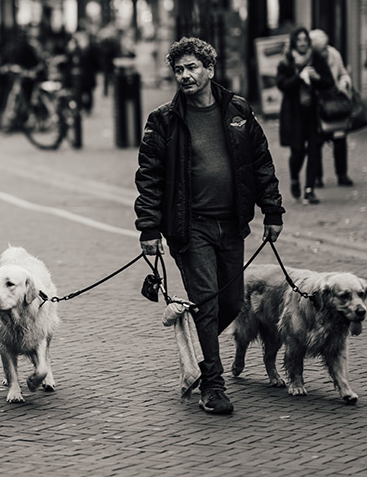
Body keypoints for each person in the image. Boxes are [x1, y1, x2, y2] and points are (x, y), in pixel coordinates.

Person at [135, 37, 285, 415]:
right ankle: (212, 385)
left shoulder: (237, 110)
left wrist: (273, 211)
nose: (185, 75)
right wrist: (149, 229)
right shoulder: (164, 120)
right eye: (179, 70)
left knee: (232, 304)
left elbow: (261, 162)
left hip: (231, 225)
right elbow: (149, 177)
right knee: (207, 303)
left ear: (209, 69)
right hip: (190, 228)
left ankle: (197, 349)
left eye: (191, 68)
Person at [276, 27, 336, 205]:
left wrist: (316, 76)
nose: (302, 43)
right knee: (298, 151)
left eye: (305, 40)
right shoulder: (286, 61)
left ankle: (309, 190)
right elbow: (282, 84)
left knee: (315, 148)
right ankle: (294, 178)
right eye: (299, 40)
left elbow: (329, 82)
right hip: (294, 114)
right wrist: (299, 78)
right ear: (294, 42)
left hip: (313, 112)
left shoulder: (316, 58)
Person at [309, 29, 355, 187]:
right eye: (320, 49)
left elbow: (343, 73)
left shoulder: (334, 54)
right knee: (317, 140)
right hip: (316, 105)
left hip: (334, 102)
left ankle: (342, 174)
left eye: (325, 47)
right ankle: (317, 176)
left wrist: (344, 82)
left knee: (340, 137)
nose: (324, 52)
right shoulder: (309, 58)